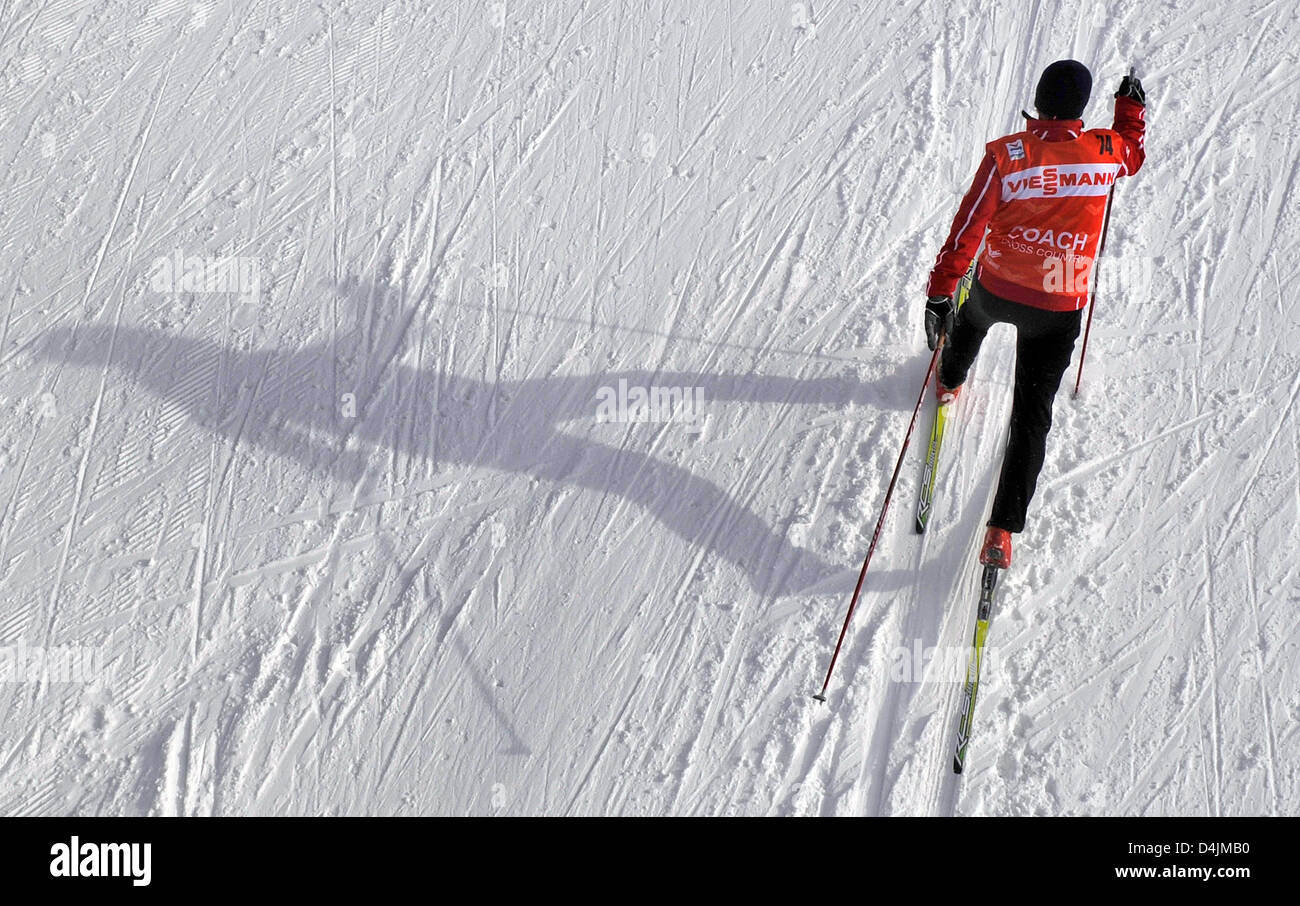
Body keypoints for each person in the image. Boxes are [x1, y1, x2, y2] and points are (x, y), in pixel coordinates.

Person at [923, 60, 1146, 569]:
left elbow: (966, 232)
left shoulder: (1008, 156)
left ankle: (950, 379)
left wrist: (940, 290)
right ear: (1081, 109)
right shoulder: (1104, 150)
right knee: (1032, 415)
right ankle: (1002, 531)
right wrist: (1130, 109)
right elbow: (1133, 154)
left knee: (971, 316)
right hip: (1059, 304)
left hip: (999, 284)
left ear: (1038, 101)